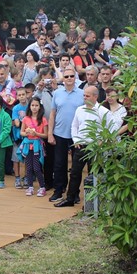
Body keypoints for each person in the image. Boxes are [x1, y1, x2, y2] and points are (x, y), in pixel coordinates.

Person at [55, 85, 109, 207]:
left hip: (95, 148)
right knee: (74, 173)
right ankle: (70, 198)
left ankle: (91, 203)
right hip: (81, 146)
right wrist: (76, 140)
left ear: (95, 97)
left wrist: (101, 141)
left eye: (87, 96)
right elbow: (74, 126)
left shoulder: (102, 111)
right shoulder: (80, 109)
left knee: (93, 174)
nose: (84, 97)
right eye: (84, 95)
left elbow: (108, 129)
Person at [48, 67, 85, 202]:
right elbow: (52, 114)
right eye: (66, 76)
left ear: (75, 78)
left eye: (71, 76)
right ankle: (58, 190)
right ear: (62, 78)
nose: (69, 78)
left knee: (76, 167)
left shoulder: (82, 94)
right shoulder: (57, 93)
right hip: (59, 133)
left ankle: (74, 193)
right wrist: (50, 133)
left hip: (77, 136)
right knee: (59, 164)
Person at [21, 96, 49, 196]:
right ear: (29, 106)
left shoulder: (43, 120)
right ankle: (30, 187)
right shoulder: (25, 119)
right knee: (28, 167)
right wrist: (27, 132)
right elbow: (21, 132)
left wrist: (36, 134)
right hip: (28, 145)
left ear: (40, 107)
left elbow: (45, 135)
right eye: (32, 105)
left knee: (37, 168)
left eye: (36, 105)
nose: (34, 107)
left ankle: (42, 187)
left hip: (37, 146)